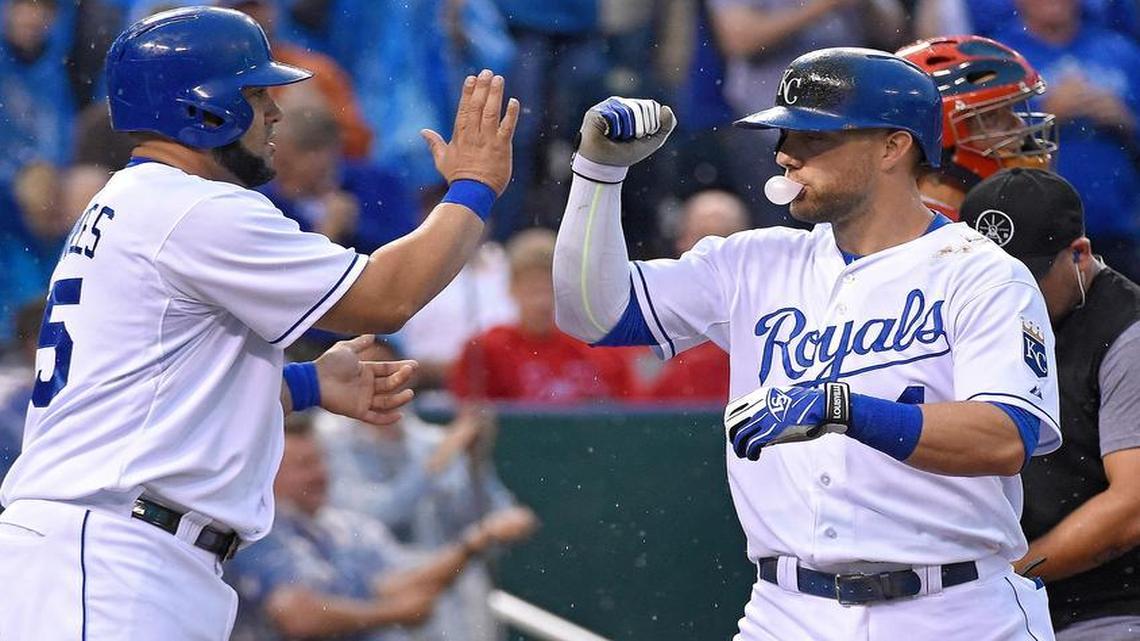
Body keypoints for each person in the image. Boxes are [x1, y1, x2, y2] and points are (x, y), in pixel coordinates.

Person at [0, 6, 517, 641]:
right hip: (114, 554)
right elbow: (387, 298)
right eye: (256, 95)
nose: (274, 114)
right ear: (203, 107)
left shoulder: (135, 202)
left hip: (116, 549)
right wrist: (472, 188)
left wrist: (306, 384)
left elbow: (153, 394)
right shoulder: (191, 208)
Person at [553, 51, 1060, 640]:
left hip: (955, 610)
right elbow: (593, 314)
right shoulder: (753, 261)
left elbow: (1004, 438)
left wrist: (844, 409)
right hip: (787, 610)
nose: (786, 155)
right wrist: (598, 173)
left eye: (814, 138)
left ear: (893, 148)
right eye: (785, 135)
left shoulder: (981, 272)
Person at [960, 168, 1140, 641]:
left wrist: (1007, 576)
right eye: (991, 280)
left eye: (1027, 277)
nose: (1009, 296)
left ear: (1079, 253)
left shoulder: (1127, 334)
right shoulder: (969, 316)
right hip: (985, 602)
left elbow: (1132, 506)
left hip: (1103, 607)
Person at [227, 412, 528, 641]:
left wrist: (472, 544)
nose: (319, 474)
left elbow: (397, 584)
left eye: (320, 461)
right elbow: (297, 617)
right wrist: (392, 613)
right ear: (270, 471)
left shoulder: (343, 527)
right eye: (304, 464)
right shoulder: (253, 531)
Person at [318, 340, 538, 641]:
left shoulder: (433, 440)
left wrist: (477, 464)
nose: (376, 380)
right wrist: (437, 463)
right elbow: (373, 516)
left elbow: (492, 515)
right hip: (377, 598)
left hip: (455, 600)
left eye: (386, 370)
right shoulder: (327, 439)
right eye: (363, 370)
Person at [993, 0, 1140, 280]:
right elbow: (978, 138)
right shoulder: (999, 57)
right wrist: (1044, 115)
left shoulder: (1122, 51)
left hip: (1118, 229)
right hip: (1034, 234)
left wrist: (1125, 118)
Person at [452, 227, 638, 402]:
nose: (541, 301)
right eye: (532, 288)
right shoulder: (487, 349)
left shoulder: (598, 348)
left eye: (548, 288)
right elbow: (468, 413)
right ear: (513, 288)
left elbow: (630, 410)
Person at [898, 35, 1057, 220]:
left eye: (1010, 109)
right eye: (990, 117)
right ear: (940, 136)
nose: (1019, 126)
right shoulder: (928, 228)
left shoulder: (972, 213)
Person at [643, 189, 746, 402]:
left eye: (727, 238)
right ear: (681, 241)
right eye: (702, 239)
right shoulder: (648, 311)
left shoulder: (775, 314)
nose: (715, 252)